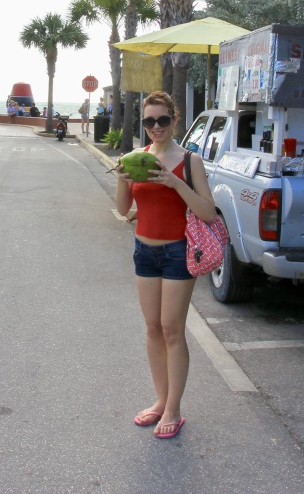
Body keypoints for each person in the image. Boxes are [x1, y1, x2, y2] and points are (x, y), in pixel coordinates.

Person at [114, 91, 216, 440]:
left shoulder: (190, 161)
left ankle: (174, 408)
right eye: (148, 121)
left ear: (174, 119)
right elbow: (123, 209)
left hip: (177, 252)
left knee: (173, 330)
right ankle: (160, 400)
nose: (155, 127)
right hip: (144, 250)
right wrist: (122, 177)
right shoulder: (136, 158)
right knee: (153, 328)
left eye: (162, 120)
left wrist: (175, 182)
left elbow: (207, 211)